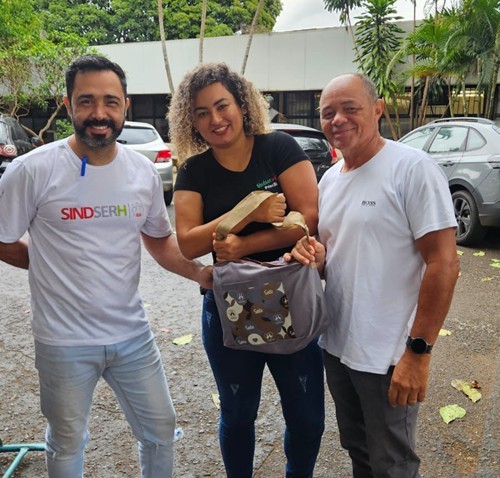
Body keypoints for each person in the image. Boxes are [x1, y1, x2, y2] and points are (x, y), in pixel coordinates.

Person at [0, 54, 212, 478]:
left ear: (125, 106)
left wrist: (202, 273)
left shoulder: (141, 172)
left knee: (161, 430)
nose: (99, 113)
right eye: (87, 101)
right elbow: (3, 240)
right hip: (62, 341)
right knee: (66, 441)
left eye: (110, 102)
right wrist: (48, 264)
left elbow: (158, 240)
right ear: (68, 104)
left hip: (132, 335)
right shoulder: (32, 170)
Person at [288, 73, 459, 477]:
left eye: (350, 109)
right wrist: (315, 256)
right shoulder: (330, 179)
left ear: (377, 109)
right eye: (328, 113)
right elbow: (335, 257)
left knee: (392, 463)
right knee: (358, 450)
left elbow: (444, 263)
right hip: (338, 347)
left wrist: (418, 353)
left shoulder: (412, 169)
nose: (338, 120)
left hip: (389, 356)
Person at [168, 62, 325, 478]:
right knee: (238, 416)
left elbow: (307, 217)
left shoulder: (279, 149)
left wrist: (241, 245)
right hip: (229, 304)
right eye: (202, 112)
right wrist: (248, 210)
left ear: (241, 104)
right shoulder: (194, 171)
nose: (215, 119)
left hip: (291, 294)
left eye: (222, 106)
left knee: (307, 418)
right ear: (191, 121)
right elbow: (189, 242)